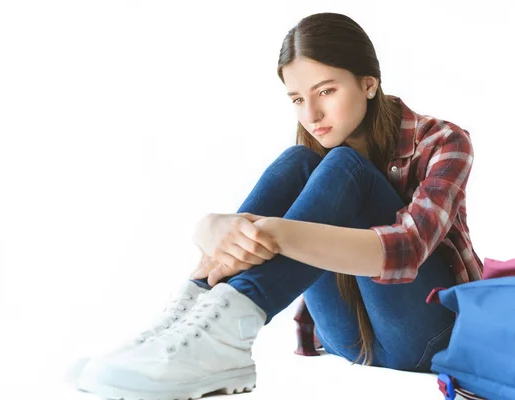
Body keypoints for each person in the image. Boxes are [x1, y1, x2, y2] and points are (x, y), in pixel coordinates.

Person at [76, 11, 483, 400]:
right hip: (348, 340)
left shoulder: (444, 141)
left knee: (344, 165)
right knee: (299, 160)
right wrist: (209, 227)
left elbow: (407, 249)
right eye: (296, 99)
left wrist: (276, 232)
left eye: (326, 91)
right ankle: (188, 317)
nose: (312, 114)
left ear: (368, 83)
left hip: (427, 336)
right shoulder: (311, 154)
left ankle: (227, 333)